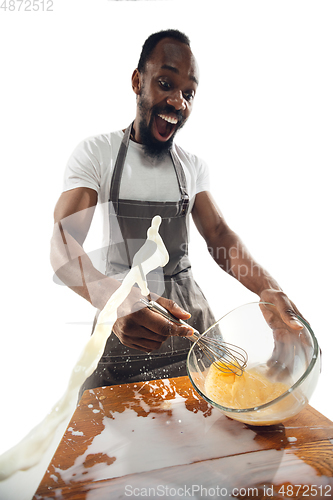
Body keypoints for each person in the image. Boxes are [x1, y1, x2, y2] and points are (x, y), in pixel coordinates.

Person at [50, 29, 304, 396]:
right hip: (126, 313)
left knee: (212, 424)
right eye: (166, 83)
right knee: (115, 439)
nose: (178, 101)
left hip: (191, 321)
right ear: (138, 81)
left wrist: (269, 290)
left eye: (189, 93)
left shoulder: (191, 166)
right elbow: (62, 243)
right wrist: (113, 299)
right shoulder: (97, 154)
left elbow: (219, 235)